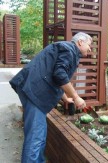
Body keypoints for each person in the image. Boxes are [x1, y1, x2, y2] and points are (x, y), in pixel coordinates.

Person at [9, 32, 92, 162]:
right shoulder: (69, 49)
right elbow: (59, 74)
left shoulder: (67, 49)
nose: (90, 48)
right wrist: (76, 97)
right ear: (80, 42)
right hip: (34, 92)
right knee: (35, 137)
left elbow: (56, 77)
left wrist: (65, 98)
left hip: (31, 89)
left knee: (39, 134)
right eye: (89, 44)